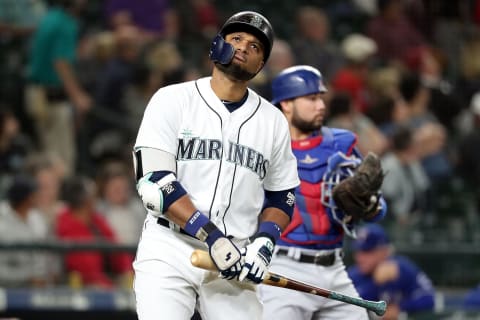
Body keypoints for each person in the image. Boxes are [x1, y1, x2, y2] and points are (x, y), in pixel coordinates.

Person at [132, 11, 299, 320]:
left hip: (236, 255)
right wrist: (210, 235)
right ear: (216, 45)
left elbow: (282, 195)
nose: (244, 47)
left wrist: (265, 240)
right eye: (236, 38)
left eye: (255, 46)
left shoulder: (273, 121)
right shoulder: (172, 100)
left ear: (260, 65)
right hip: (170, 246)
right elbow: (155, 183)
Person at [258, 65, 387, 320]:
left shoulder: (341, 144)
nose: (321, 105)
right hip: (283, 268)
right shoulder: (264, 148)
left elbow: (378, 207)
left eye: (321, 97)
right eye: (311, 98)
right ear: (286, 104)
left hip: (335, 267)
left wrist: (371, 206)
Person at [347, 223, 435, 319]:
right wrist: (375, 283)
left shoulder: (402, 268)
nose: (360, 258)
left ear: (384, 251)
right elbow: (348, 305)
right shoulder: (353, 275)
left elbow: (429, 298)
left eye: (367, 252)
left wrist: (399, 308)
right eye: (358, 252)